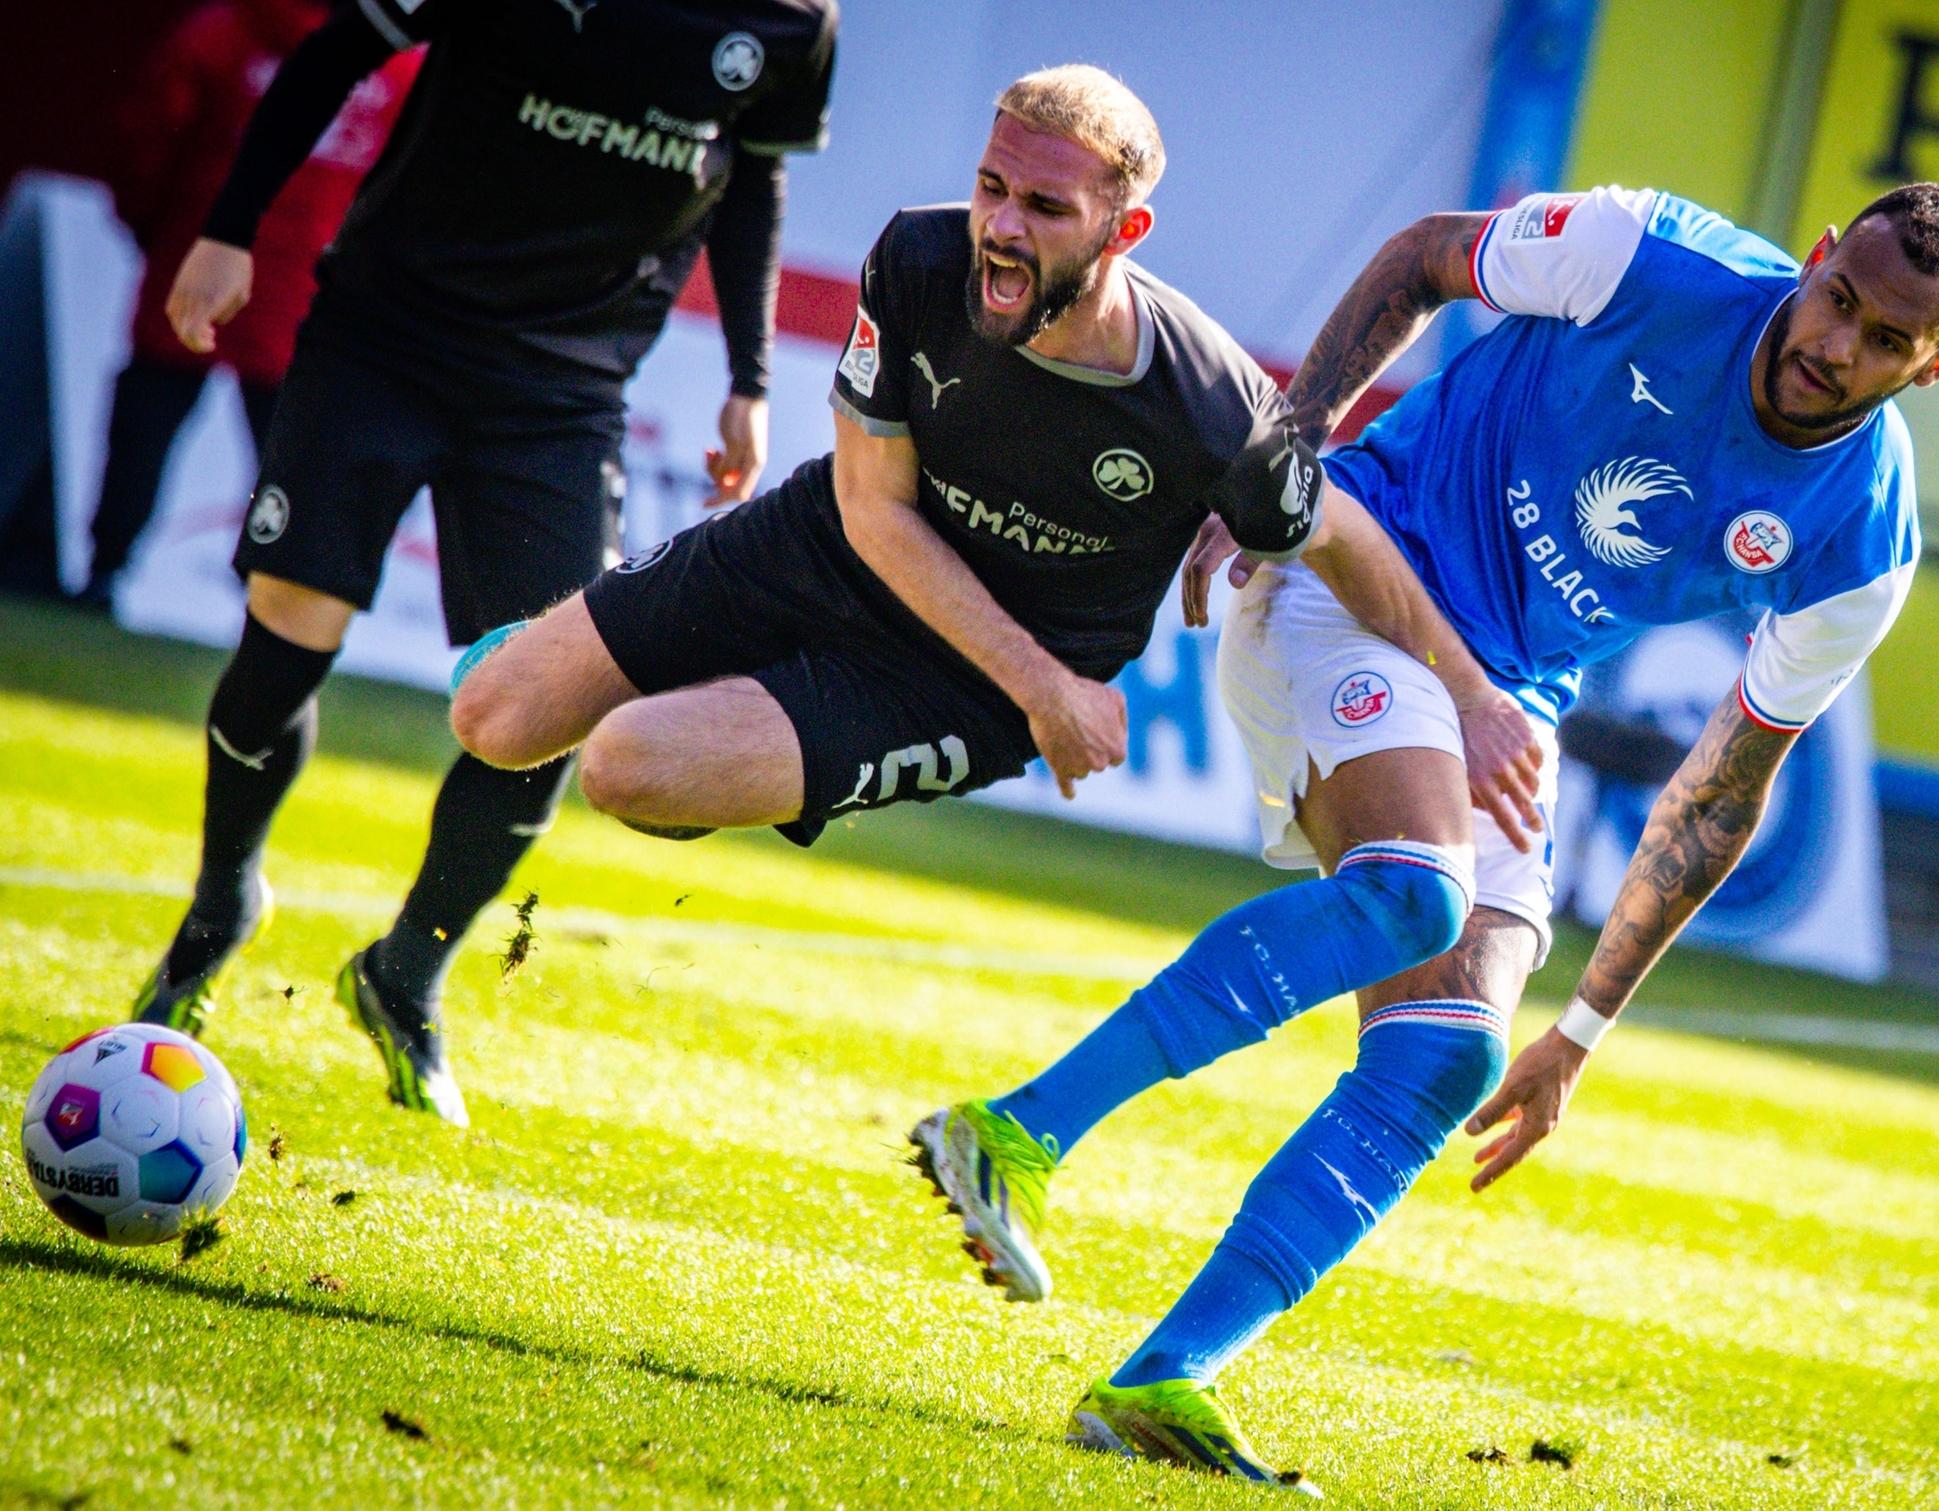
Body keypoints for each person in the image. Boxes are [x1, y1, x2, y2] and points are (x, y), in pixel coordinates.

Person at [913, 181, 1939, 1489]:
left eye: (1888, 341)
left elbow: (1721, 791)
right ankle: (1018, 1130)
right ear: (1817, 257)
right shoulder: (1646, 255)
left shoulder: (1863, 541)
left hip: (1503, 695)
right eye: (1838, 300)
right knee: (1414, 891)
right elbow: (1423, 256)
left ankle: (1164, 1376)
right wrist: (1280, 461)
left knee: (1449, 1049)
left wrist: (1580, 1030)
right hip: (1352, 570)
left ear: (1938, 365)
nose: (1837, 345)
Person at [446, 67, 1538, 928]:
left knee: (625, 764)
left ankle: (730, 716)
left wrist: (1477, 699)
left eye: (1046, 207)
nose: (1002, 227)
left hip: (956, 687)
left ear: (1123, 230)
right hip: (833, 548)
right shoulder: (918, 257)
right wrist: (1050, 690)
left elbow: (1344, 539)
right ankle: (677, 685)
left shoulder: (1212, 409)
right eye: (992, 188)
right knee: (491, 719)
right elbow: (873, 506)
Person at [130, 0, 839, 1129]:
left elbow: (754, 176)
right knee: (289, 630)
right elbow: (338, 49)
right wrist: (229, 229)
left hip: (562, 395)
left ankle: (405, 972)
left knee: (554, 700)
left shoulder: (794, 23)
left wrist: (750, 377)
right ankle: (219, 907)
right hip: (382, 338)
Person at [83, 0, 418, 609]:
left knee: (146, 425)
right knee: (295, 460)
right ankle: (271, 604)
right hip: (311, 291)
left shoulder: (222, 32)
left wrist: (156, 230)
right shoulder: (401, 62)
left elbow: (145, 143)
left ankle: (105, 568)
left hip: (199, 263)